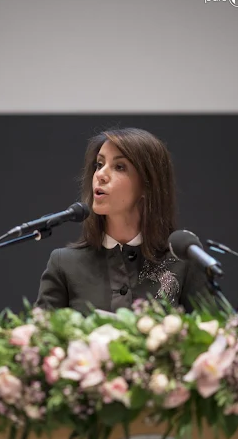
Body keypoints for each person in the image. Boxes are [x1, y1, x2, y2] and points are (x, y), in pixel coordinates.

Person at [36, 127, 211, 315]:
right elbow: (42, 339)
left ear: (147, 185)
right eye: (99, 164)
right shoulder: (64, 263)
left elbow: (210, 335)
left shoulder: (183, 262)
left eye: (119, 167)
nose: (100, 175)